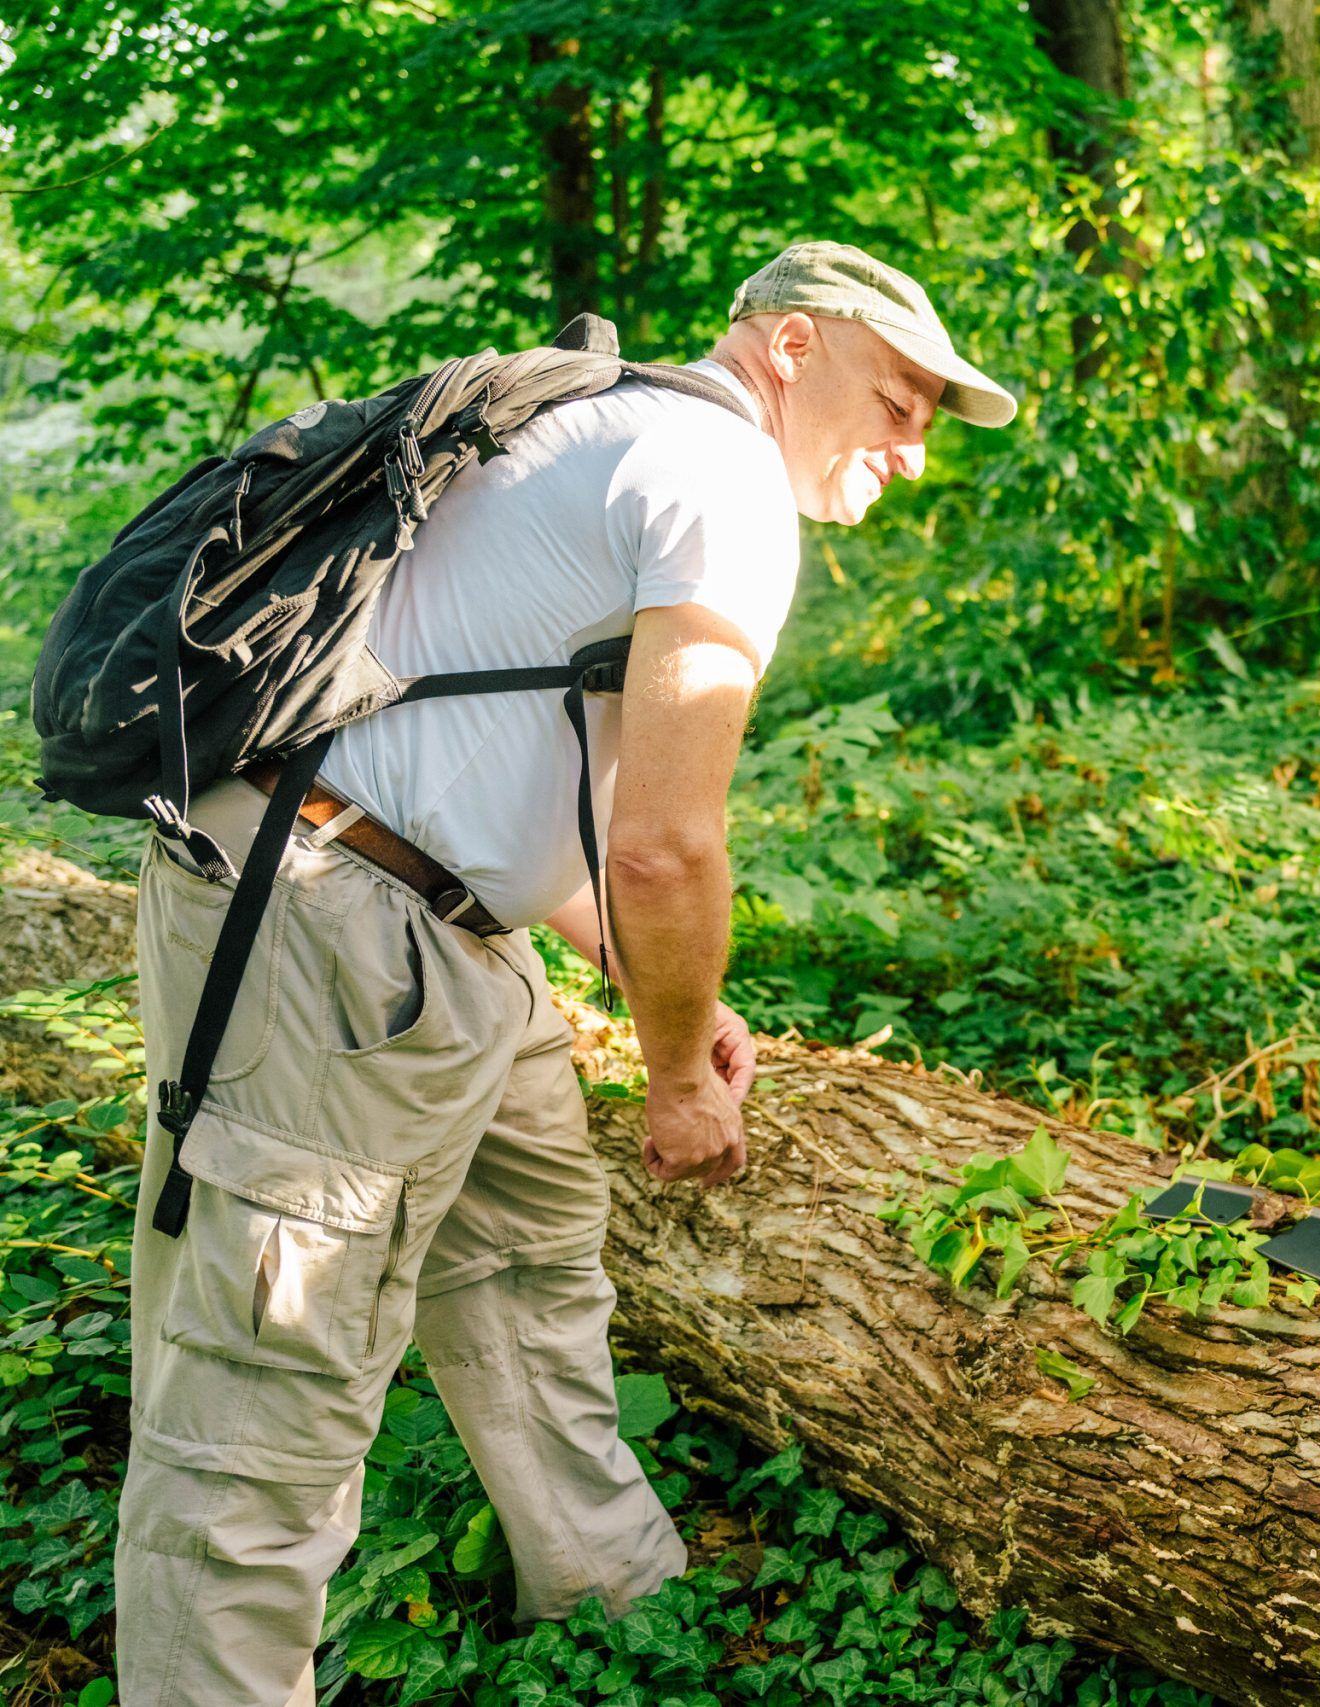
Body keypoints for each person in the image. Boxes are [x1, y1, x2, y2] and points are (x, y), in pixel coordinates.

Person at [117, 242, 1016, 1707]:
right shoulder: (718, 480)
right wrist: (674, 1078)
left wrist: (669, 987)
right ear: (790, 347)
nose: (912, 451)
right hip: (336, 930)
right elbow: (668, 842)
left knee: (528, 1249)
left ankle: (616, 1610)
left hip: (419, 915)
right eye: (900, 398)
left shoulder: (606, 427)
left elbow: (517, 758)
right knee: (263, 1390)